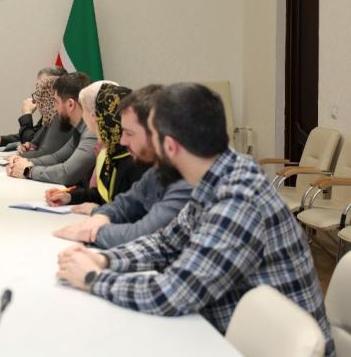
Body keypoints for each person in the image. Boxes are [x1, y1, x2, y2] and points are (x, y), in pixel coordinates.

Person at [56, 83, 334, 355]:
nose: (130, 143)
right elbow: (166, 242)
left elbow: (174, 294)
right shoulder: (217, 177)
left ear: (170, 146)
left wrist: (93, 278)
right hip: (227, 334)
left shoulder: (238, 199)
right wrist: (105, 260)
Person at [53, 85, 192, 248]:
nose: (122, 140)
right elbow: (124, 203)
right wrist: (101, 216)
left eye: (129, 133)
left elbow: (144, 234)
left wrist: (90, 233)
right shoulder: (158, 170)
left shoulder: (185, 181)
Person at [44, 83, 148, 208]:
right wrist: (70, 196)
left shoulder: (133, 160)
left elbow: (134, 211)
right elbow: (102, 195)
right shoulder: (112, 153)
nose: (124, 140)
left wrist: (99, 210)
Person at [7, 72, 96, 185]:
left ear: (70, 104)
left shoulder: (92, 132)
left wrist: (28, 171)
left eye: (56, 102)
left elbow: (67, 173)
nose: (54, 107)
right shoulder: (80, 128)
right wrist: (21, 162)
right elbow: (56, 158)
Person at [0, 67, 65, 148]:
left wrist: (26, 113)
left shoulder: (61, 117)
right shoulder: (48, 116)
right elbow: (35, 135)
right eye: (38, 90)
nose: (37, 98)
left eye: (42, 90)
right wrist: (2, 140)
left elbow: (31, 143)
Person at [9, 73, 70, 161]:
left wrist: (21, 155)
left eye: (38, 95)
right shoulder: (48, 119)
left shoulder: (59, 118)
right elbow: (33, 143)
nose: (36, 101)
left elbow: (45, 154)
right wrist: (27, 147)